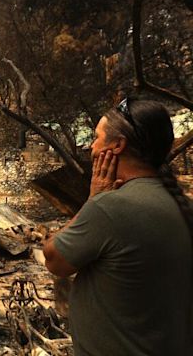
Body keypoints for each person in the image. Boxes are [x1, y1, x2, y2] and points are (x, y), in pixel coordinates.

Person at [43, 98, 192, 355]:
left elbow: (54, 259)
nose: (91, 145)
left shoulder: (110, 207)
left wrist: (93, 198)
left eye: (97, 137)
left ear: (117, 145)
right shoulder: (181, 204)